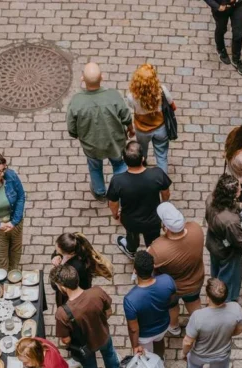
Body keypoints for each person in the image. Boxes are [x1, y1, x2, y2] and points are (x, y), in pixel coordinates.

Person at [67, 62, 134, 202]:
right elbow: (126, 117)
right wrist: (130, 129)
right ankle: (121, 190)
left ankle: (100, 191)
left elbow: (71, 127)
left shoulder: (76, 101)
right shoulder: (113, 96)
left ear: (82, 79)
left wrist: (76, 134)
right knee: (119, 165)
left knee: (95, 168)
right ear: (102, 77)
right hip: (115, 142)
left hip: (92, 145)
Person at [52, 265, 120, 368]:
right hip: (104, 335)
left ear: (62, 287)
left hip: (85, 347)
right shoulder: (97, 292)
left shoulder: (62, 313)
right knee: (110, 353)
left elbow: (65, 340)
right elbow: (109, 311)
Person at [181, 279, 242, 368]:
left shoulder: (198, 316)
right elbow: (241, 328)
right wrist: (228, 334)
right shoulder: (235, 309)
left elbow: (188, 342)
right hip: (221, 354)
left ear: (207, 298)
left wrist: (184, 353)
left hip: (198, 354)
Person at [107, 142, 172, 259]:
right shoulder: (157, 174)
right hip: (153, 219)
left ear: (124, 160)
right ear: (143, 158)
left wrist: (115, 214)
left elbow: (113, 203)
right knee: (153, 241)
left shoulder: (117, 181)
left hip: (131, 220)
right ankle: (152, 254)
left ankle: (131, 250)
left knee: (131, 236)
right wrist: (164, 206)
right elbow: (166, 193)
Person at [149, 202, 205, 336]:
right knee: (194, 302)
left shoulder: (158, 248)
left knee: (172, 307)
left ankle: (174, 327)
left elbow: (149, 267)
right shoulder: (196, 229)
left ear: (166, 228)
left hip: (172, 288)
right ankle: (199, 326)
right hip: (194, 281)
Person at [204, 174, 242, 302]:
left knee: (216, 268)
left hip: (213, 243)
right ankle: (226, 299)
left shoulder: (211, 198)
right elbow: (240, 241)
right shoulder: (231, 221)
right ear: (231, 195)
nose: (241, 190)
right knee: (230, 278)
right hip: (227, 252)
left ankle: (215, 284)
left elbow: (227, 204)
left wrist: (240, 206)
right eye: (239, 190)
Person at [124, 251, 176, 358]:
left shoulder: (130, 300)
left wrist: (135, 346)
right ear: (153, 267)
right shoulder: (167, 280)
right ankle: (160, 358)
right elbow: (171, 301)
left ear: (135, 271)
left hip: (144, 335)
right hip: (163, 326)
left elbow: (133, 329)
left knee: (145, 354)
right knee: (159, 341)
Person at [126, 64, 176, 174]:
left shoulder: (132, 96)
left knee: (142, 151)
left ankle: (142, 166)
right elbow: (173, 106)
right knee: (162, 157)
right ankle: (163, 183)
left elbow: (131, 107)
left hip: (142, 130)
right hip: (160, 128)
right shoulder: (162, 90)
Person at [50, 232, 113, 306]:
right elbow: (55, 253)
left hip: (73, 295)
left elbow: (56, 285)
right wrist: (56, 256)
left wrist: (55, 267)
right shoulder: (75, 246)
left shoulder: (75, 267)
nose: (56, 251)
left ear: (67, 253)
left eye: (58, 250)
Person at [202, 0, 242, 76]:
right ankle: (220, 49)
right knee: (221, 29)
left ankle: (236, 60)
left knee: (238, 35)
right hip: (221, 7)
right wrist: (217, 6)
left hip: (237, 5)